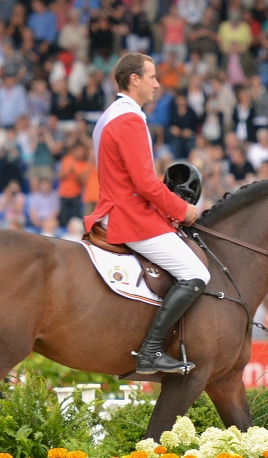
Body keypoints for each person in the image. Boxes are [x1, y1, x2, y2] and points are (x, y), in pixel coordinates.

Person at [83, 53, 206, 375]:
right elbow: (145, 183)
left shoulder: (111, 114)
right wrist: (183, 210)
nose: (156, 84)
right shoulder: (129, 118)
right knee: (197, 273)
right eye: (151, 77)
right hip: (129, 216)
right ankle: (150, 351)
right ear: (134, 79)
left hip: (116, 207)